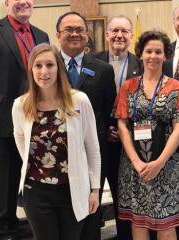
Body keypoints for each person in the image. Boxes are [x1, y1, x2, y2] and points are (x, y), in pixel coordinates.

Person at [0, 0, 49, 238]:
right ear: (6, 3)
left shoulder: (41, 35)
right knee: (4, 176)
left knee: (37, 172)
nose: (23, 2)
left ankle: (35, 221)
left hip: (38, 118)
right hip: (2, 117)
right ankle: (4, 228)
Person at [11, 43, 100, 240]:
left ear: (59, 68)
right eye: (38, 65)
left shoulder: (79, 101)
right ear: (31, 69)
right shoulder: (21, 105)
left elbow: (92, 146)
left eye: (50, 65)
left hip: (72, 189)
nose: (44, 71)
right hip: (36, 190)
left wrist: (95, 189)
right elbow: (19, 136)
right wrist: (34, 163)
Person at [114, 30, 179, 240]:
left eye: (158, 51)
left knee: (165, 222)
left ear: (165, 55)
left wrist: (159, 162)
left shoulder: (177, 87)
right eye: (149, 51)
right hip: (134, 167)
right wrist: (136, 162)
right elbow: (122, 125)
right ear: (140, 54)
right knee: (138, 221)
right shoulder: (128, 87)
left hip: (168, 165)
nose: (153, 56)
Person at [55, 11, 116, 240]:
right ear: (58, 34)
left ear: (87, 35)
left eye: (80, 30)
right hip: (56, 153)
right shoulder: (46, 64)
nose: (74, 34)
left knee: (90, 215)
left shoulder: (102, 69)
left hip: (92, 152)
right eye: (68, 29)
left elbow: (110, 109)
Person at [94, 14, 142, 240]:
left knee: (125, 200)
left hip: (129, 144)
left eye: (124, 31)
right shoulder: (91, 63)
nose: (119, 35)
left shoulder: (142, 64)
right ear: (107, 35)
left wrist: (125, 131)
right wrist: (106, 129)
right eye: (115, 31)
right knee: (91, 197)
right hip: (96, 142)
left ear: (131, 36)